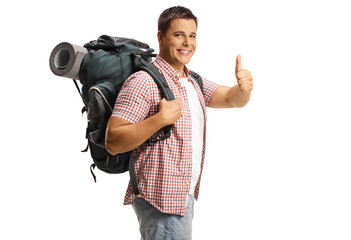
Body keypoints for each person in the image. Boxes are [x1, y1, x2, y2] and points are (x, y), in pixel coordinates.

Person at [105, 5, 253, 240]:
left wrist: (243, 88)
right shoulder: (143, 81)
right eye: (179, 35)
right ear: (160, 37)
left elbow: (230, 99)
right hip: (161, 201)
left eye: (192, 35)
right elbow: (113, 140)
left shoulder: (191, 80)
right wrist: (160, 119)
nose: (187, 42)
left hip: (181, 197)